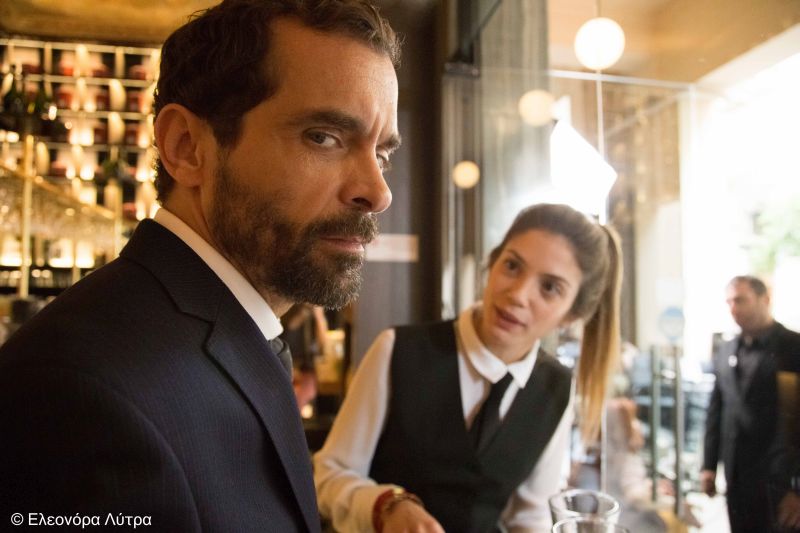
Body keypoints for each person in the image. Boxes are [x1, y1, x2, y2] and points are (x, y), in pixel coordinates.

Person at [0, 1, 401, 531]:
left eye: (382, 154)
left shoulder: (232, 333)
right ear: (186, 147)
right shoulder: (80, 393)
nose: (378, 192)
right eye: (323, 136)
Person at [314, 203, 623, 533]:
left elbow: (529, 518)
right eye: (512, 266)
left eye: (549, 288)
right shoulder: (399, 350)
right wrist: (385, 506)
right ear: (492, 263)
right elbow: (327, 477)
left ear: (571, 316)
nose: (518, 295)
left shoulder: (555, 388)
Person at [701, 275, 800, 532]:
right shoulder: (726, 350)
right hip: (737, 477)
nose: (734, 309)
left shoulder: (793, 347)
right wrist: (708, 465)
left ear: (765, 299)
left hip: (780, 480)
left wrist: (797, 487)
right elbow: (716, 409)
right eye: (729, 302)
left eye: (741, 300)